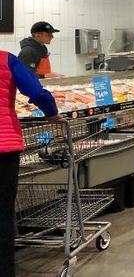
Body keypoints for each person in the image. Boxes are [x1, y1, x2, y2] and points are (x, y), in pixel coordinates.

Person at [0, 50, 59, 277]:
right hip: (4, 149)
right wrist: (51, 112)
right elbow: (35, 90)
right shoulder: (6, 59)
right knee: (3, 213)